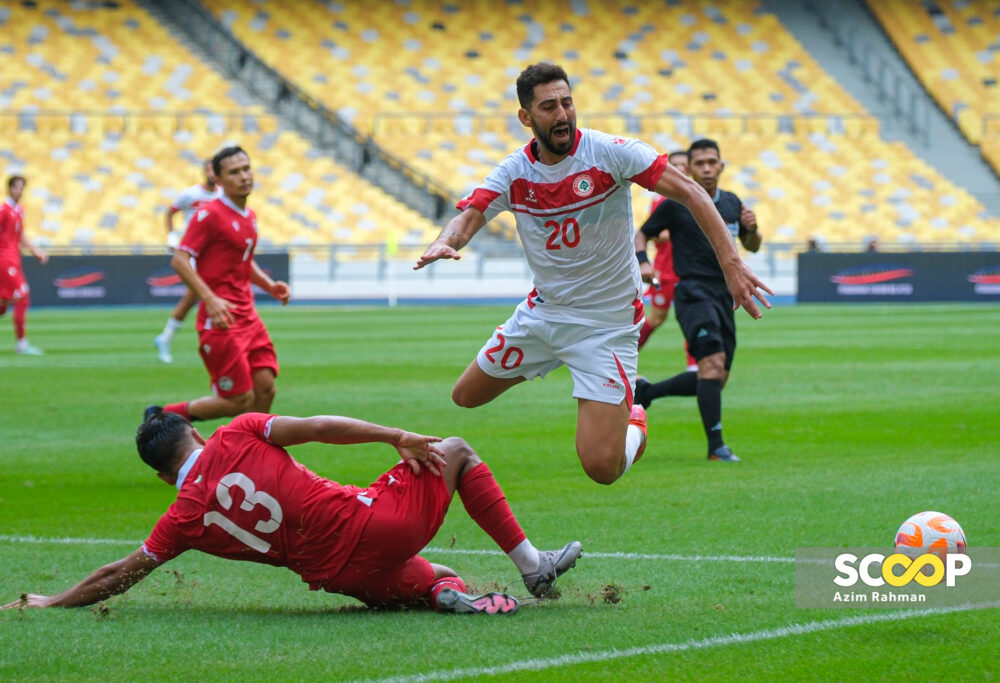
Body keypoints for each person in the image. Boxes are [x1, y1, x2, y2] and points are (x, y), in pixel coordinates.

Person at [415, 63, 772, 485]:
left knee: (602, 468)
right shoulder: (514, 172)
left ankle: (634, 420)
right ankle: (573, 372)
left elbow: (692, 192)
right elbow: (469, 216)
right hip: (545, 315)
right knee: (465, 397)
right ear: (526, 118)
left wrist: (733, 262)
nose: (563, 114)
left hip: (606, 325)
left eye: (567, 102)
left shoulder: (611, 152)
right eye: (548, 107)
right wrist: (447, 242)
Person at [0, 410, 583, 614]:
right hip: (369, 525)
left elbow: (119, 574)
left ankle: (441, 593)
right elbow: (323, 428)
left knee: (434, 576)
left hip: (337, 577)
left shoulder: (181, 519)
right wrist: (397, 436)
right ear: (196, 433)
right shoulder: (238, 433)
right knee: (454, 451)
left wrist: (51, 600)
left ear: (160, 475)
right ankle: (533, 566)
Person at [633, 138, 762, 463]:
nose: (706, 168)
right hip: (692, 293)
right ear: (689, 168)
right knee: (712, 365)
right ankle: (717, 447)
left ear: (720, 166)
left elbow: (753, 245)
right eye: (699, 163)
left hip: (725, 296)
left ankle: (646, 392)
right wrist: (643, 261)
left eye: (711, 162)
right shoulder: (678, 203)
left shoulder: (732, 202)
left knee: (716, 378)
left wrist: (752, 229)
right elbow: (642, 233)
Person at [149, 146, 290, 422]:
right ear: (219, 179)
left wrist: (270, 286)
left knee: (266, 388)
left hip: (248, 316)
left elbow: (244, 261)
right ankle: (161, 417)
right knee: (238, 400)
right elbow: (180, 260)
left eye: (246, 169)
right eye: (234, 172)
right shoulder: (210, 214)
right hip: (222, 320)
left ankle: (250, 449)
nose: (244, 176)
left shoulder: (249, 216)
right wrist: (210, 299)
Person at [153, 159, 222, 364]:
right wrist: (172, 236)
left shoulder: (222, 196)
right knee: (201, 293)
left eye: (214, 169)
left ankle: (166, 338)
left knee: (195, 297)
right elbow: (170, 212)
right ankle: (210, 342)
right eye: (208, 169)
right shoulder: (191, 194)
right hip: (193, 252)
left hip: (214, 253)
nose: (211, 173)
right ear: (204, 172)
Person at [637, 150, 697, 371]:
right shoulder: (661, 199)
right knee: (656, 318)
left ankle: (695, 367)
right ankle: (624, 355)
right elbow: (651, 231)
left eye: (684, 165)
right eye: (676, 165)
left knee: (693, 315)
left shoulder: (696, 196)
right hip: (665, 270)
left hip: (690, 269)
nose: (681, 168)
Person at [0, 175, 48, 355]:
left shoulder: (19, 209)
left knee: (3, 306)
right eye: (17, 187)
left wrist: (36, 251)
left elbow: (21, 235)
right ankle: (22, 344)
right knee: (23, 297)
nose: (20, 191)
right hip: (4, 261)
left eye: (22, 188)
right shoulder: (4, 210)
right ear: (9, 189)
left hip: (14, 259)